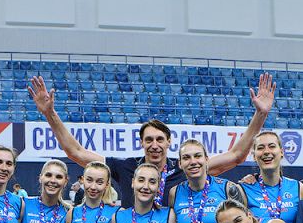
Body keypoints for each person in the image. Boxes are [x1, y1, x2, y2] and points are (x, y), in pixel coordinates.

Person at [28, 73, 274, 209]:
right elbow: (76, 152)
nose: (154, 145)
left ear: (169, 142)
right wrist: (50, 114)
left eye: (159, 139)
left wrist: (260, 114)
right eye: (149, 140)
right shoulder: (125, 166)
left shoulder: (185, 167)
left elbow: (236, 156)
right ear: (141, 143)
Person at [167, 139, 245, 223]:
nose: (193, 162)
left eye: (198, 156)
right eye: (186, 158)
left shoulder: (228, 188)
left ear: (206, 159)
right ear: (180, 163)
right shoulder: (175, 193)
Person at [238, 131, 303, 223]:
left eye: (272, 146)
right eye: (260, 148)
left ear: (281, 152)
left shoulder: (298, 187)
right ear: (254, 156)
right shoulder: (244, 189)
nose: (266, 151)